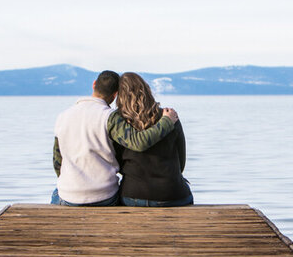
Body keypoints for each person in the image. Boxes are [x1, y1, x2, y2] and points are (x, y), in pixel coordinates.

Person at [52, 70, 179, 206]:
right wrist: (166, 122)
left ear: (94, 84)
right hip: (103, 196)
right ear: (115, 95)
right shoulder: (109, 117)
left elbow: (57, 159)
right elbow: (138, 143)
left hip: (69, 195)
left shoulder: (63, 116)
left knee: (57, 193)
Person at [114, 72, 193, 207]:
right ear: (146, 90)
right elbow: (181, 162)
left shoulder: (119, 122)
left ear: (119, 96)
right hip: (174, 195)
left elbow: (117, 162)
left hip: (133, 195)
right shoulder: (170, 116)